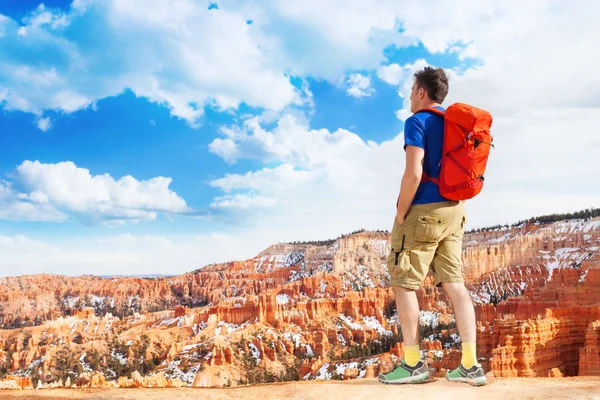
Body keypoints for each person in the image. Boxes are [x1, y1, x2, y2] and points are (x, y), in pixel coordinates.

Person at [377, 66, 487, 386]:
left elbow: (414, 171)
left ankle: (412, 364)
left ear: (422, 92)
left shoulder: (417, 121)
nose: (410, 97)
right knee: (455, 283)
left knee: (404, 284)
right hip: (456, 210)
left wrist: (401, 213)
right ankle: (470, 365)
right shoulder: (453, 123)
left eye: (412, 91)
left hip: (424, 210)